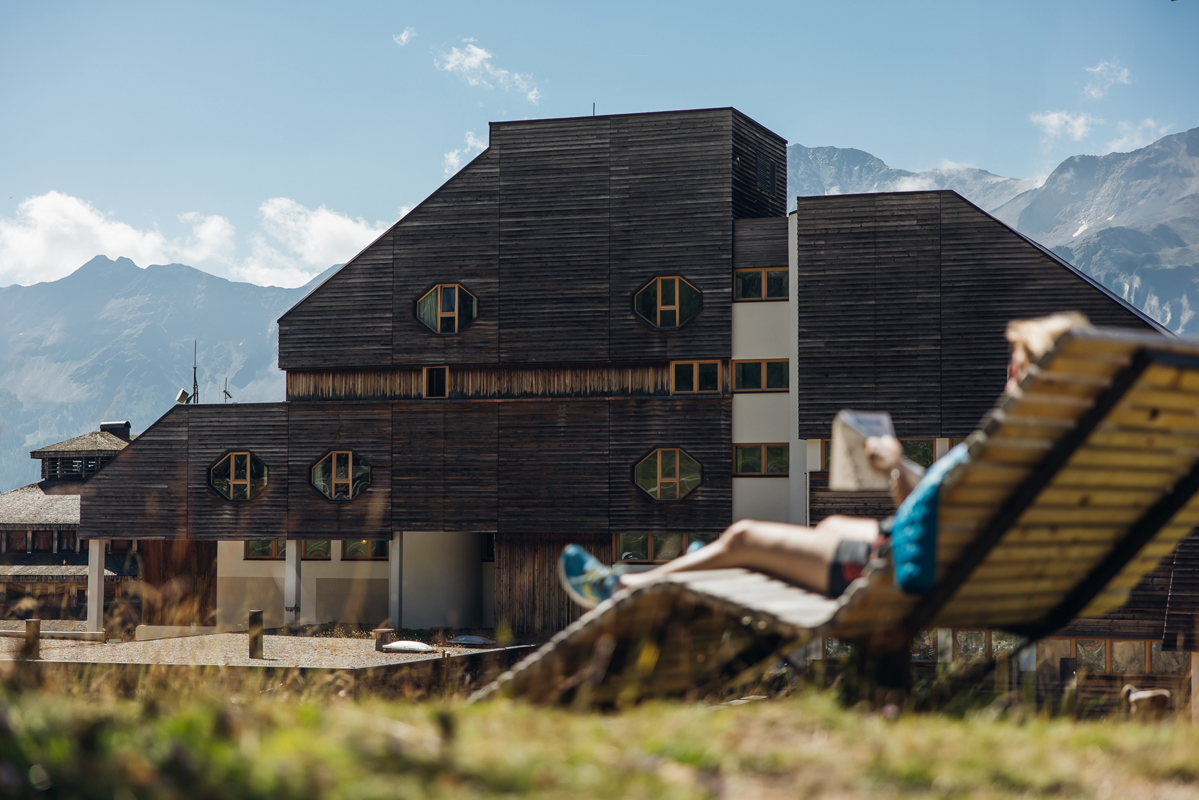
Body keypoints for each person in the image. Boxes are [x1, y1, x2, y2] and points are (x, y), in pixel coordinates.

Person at [559, 312, 1091, 609]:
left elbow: (947, 511)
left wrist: (897, 465)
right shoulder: (1053, 448)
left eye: (1017, 366)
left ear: (1038, 375)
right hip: (954, 565)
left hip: (905, 570)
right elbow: (958, 515)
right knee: (831, 523)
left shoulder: (1010, 447)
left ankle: (623, 589)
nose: (1008, 375)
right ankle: (707, 563)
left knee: (744, 536)